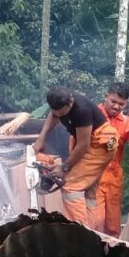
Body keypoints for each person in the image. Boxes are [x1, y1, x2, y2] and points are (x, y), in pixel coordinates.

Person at [33, 86, 118, 228]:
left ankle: (80, 234)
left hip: (99, 145)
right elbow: (54, 115)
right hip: (87, 142)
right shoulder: (59, 100)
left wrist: (64, 167)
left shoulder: (81, 110)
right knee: (89, 192)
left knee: (71, 187)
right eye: (56, 112)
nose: (60, 116)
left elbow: (83, 146)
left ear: (70, 103)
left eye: (62, 113)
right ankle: (94, 233)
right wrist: (41, 137)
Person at [95, 82, 129, 236]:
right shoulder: (92, 115)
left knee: (113, 225)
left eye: (121, 104)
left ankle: (112, 256)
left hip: (114, 177)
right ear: (105, 96)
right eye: (113, 102)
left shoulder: (125, 122)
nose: (117, 107)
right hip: (93, 176)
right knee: (96, 222)